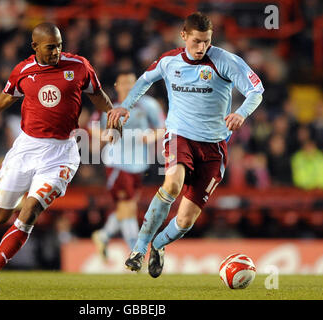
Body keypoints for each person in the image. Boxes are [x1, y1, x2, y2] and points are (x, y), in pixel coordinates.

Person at [108, 12, 264, 278]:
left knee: (185, 220)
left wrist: (241, 113)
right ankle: (138, 249)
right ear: (183, 36)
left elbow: (256, 90)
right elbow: (145, 80)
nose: (201, 47)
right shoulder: (169, 61)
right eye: (196, 41)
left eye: (206, 41)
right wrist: (125, 106)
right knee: (172, 184)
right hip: (179, 136)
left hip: (213, 147)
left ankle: (158, 245)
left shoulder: (225, 61)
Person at [0, 22, 118, 290]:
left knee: (30, 210)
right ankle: (5, 196)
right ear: (35, 46)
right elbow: (7, 96)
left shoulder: (79, 66)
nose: (57, 51)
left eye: (59, 45)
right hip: (26, 148)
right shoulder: (23, 71)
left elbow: (98, 95)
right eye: (50, 47)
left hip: (61, 153)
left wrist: (113, 113)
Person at [90, 71, 165, 260]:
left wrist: (151, 136)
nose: (128, 87)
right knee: (127, 207)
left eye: (132, 83)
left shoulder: (149, 105)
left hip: (139, 165)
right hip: (117, 164)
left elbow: (164, 127)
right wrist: (105, 136)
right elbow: (92, 126)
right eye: (124, 83)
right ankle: (135, 251)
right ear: (118, 86)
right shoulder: (110, 106)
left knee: (128, 208)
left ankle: (104, 235)